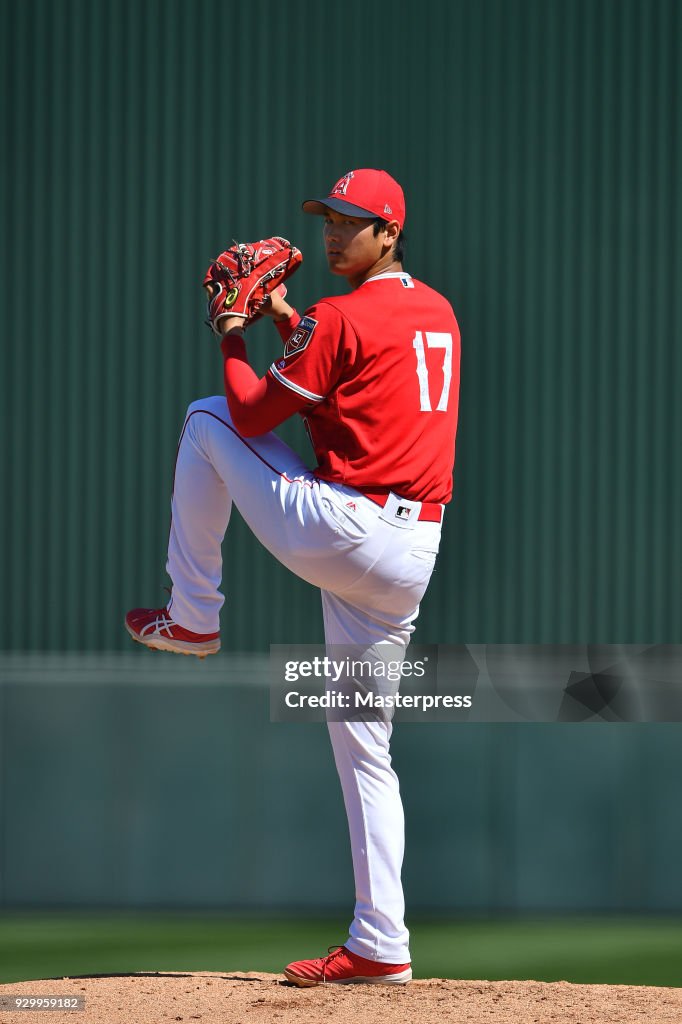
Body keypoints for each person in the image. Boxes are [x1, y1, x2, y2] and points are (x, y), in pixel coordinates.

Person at [125, 168, 461, 985]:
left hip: (350, 531)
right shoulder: (436, 309)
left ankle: (194, 612)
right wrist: (289, 321)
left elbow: (251, 414)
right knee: (364, 746)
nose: (333, 232)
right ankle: (382, 942)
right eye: (328, 218)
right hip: (411, 555)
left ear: (390, 232)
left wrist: (235, 328)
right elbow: (350, 394)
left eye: (352, 222)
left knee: (207, 417)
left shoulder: (338, 316)